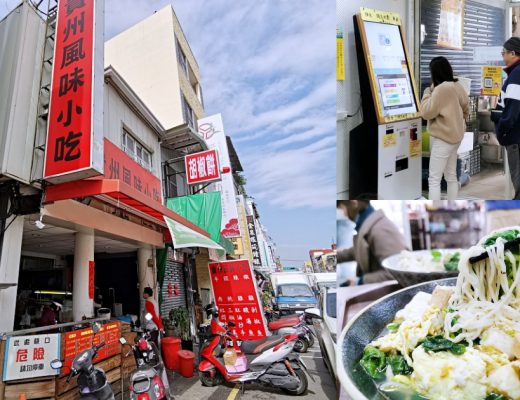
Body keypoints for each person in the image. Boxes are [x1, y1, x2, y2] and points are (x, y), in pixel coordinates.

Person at [421, 56, 469, 200]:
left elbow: (426, 112)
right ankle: (451, 204)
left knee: (434, 179)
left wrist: (426, 93)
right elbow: (466, 107)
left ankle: (434, 210)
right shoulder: (457, 85)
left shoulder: (440, 90)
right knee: (451, 176)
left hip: (443, 140)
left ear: (434, 73)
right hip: (456, 138)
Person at [336, 200, 408, 285]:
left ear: (354, 202)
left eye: (342, 208)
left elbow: (396, 273)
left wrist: (360, 281)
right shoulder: (368, 226)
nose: (344, 214)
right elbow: (358, 251)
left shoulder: (380, 229)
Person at [491, 37, 520, 199]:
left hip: (516, 139)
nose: (503, 57)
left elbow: (512, 108)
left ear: (513, 53)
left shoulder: (517, 74)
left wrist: (502, 132)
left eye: (504, 53)